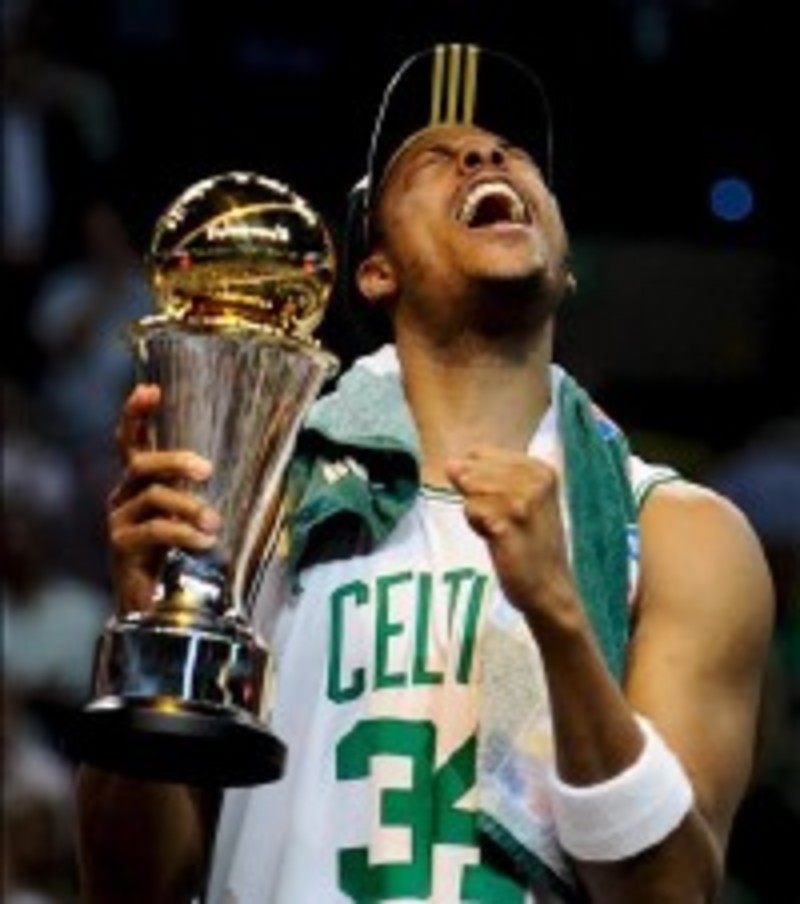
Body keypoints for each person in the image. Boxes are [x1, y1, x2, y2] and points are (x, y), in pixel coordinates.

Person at [76, 43, 774, 903]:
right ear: (376, 270)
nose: (484, 156)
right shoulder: (260, 504)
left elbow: (674, 892)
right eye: (432, 160)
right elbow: (132, 889)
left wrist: (559, 618)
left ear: (565, 264)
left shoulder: (677, 534)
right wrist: (148, 633)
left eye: (511, 153)